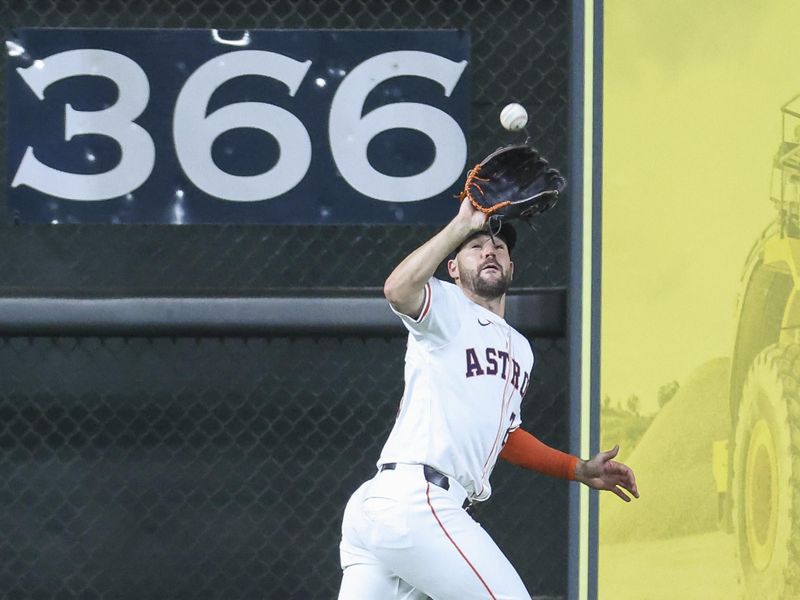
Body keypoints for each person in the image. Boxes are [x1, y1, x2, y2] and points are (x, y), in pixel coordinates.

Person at [337, 197, 639, 600]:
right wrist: (461, 226)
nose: (490, 250)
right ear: (453, 268)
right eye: (475, 247)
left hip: (395, 510)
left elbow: (506, 437)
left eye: (499, 247)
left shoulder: (521, 349)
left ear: (511, 267)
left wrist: (576, 468)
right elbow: (397, 289)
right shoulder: (446, 307)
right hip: (415, 500)